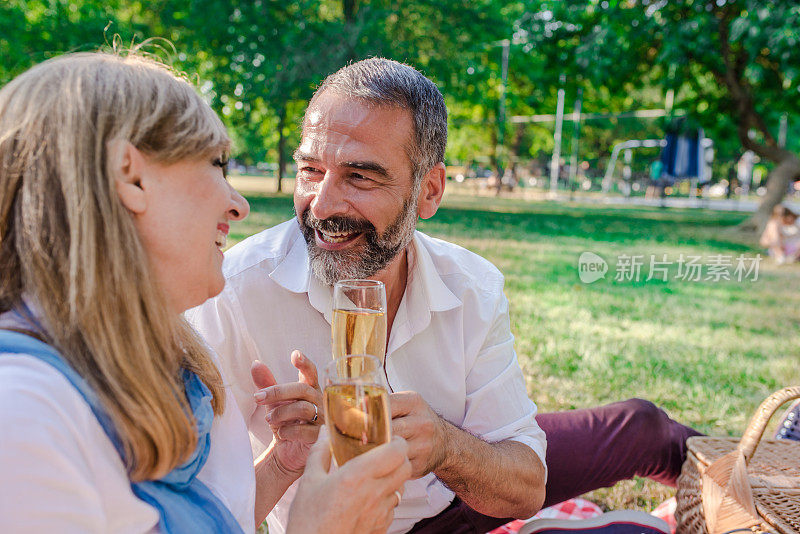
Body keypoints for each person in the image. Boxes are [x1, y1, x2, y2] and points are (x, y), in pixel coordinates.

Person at [187, 58, 700, 534]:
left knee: (642, 426)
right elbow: (193, 515)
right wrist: (283, 461)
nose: (321, 205)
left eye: (360, 176)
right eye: (310, 170)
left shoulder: (469, 285)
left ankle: (760, 472)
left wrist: (446, 446)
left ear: (429, 191)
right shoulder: (234, 289)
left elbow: (524, 485)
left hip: (454, 503)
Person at [0, 52, 411, 534]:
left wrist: (282, 464)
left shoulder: (175, 355)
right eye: (216, 163)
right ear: (131, 176)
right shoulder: (22, 414)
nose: (238, 204)